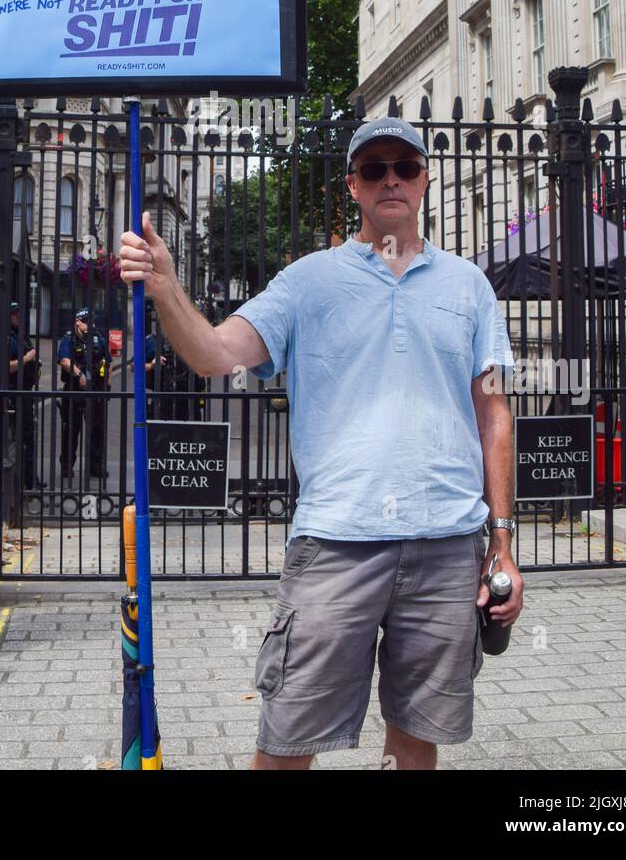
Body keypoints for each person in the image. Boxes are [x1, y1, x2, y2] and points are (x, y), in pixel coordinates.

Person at [119, 116, 524, 771]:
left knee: (417, 740)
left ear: (423, 180)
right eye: (373, 169)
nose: (389, 178)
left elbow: (493, 411)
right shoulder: (308, 282)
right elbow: (215, 354)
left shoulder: (468, 286)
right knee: (286, 742)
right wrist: (166, 288)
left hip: (450, 545)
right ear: (352, 187)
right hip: (337, 543)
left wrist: (501, 541)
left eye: (403, 167)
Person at [57, 308, 109, 484]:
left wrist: (107, 386)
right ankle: (67, 465)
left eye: (91, 321)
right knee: (71, 429)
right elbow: (64, 361)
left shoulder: (98, 338)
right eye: (86, 321)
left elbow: (107, 362)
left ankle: (96, 465)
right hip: (74, 391)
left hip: (95, 391)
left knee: (96, 430)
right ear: (77, 321)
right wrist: (79, 375)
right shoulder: (68, 339)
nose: (90, 325)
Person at [7, 302, 40, 488]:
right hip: (13, 394)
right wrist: (27, 359)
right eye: (14, 314)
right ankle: (23, 482)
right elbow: (4, 367)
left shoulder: (20, 335)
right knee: (20, 439)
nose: (18, 316)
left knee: (27, 438)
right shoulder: (6, 337)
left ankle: (30, 480)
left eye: (19, 313)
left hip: (25, 392)